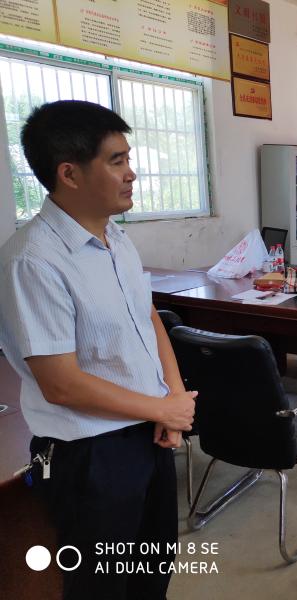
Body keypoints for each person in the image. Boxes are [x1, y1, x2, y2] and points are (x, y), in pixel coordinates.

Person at [0, 100, 196, 599]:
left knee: (151, 575)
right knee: (102, 588)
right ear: (69, 173)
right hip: (91, 457)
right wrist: (161, 408)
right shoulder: (33, 261)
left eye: (128, 158)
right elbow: (61, 384)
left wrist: (171, 401)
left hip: (149, 434)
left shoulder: (116, 239)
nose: (131, 173)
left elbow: (148, 318)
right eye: (116, 161)